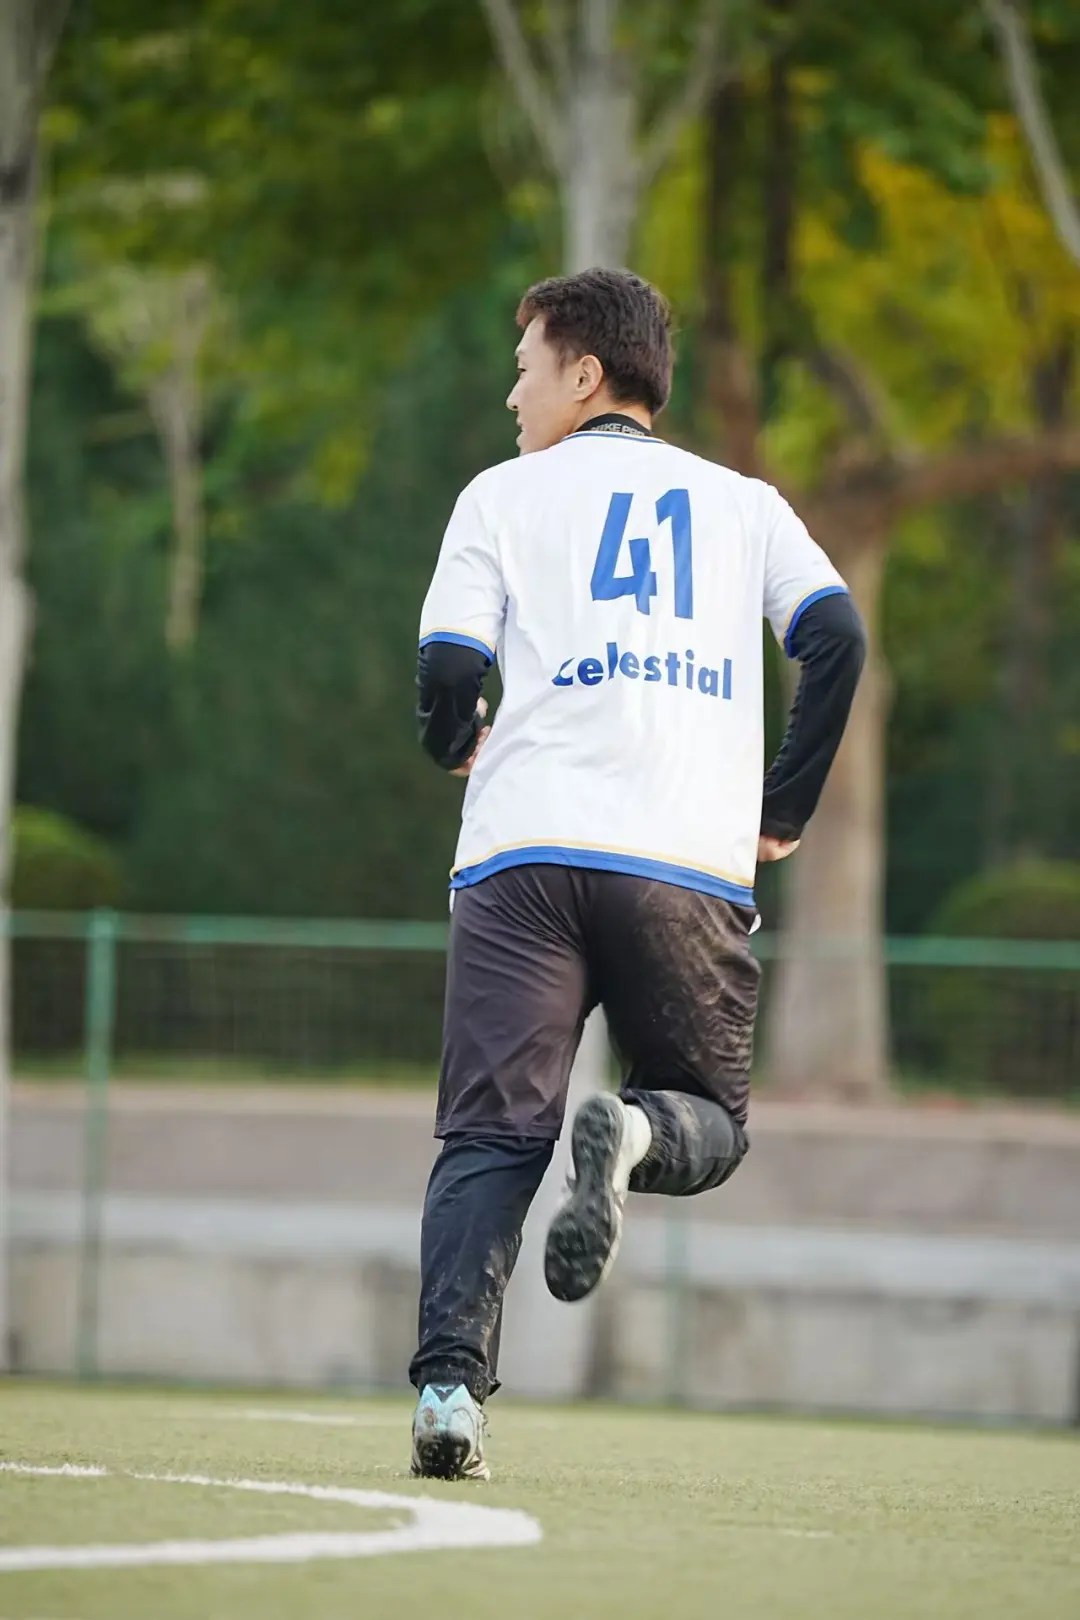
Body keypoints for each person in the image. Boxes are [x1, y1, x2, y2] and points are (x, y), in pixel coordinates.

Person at [409, 267, 866, 1481]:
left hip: (524, 857)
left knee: (492, 1134)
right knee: (710, 1122)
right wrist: (781, 807)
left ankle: (450, 1397)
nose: (513, 394)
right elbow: (835, 637)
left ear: (584, 373)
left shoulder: (500, 495)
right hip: (684, 865)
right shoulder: (746, 506)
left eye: (525, 368)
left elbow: (449, 665)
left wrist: (454, 744)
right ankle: (639, 1133)